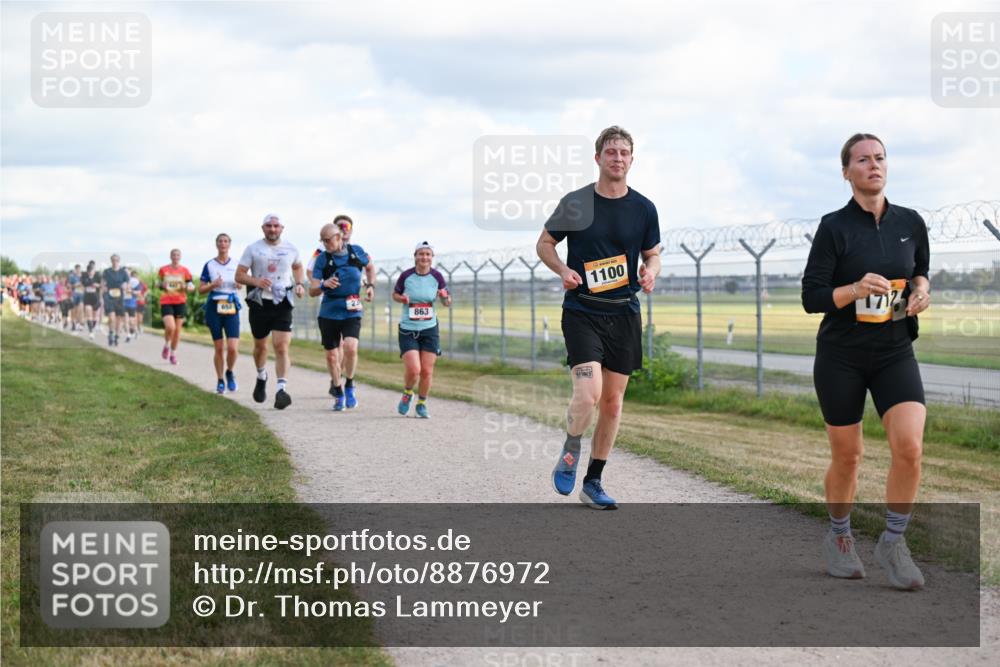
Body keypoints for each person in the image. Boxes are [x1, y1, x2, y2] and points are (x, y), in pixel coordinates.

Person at [802, 133, 931, 590]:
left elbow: (920, 270)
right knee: (849, 456)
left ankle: (894, 543)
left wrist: (920, 291)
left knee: (910, 447)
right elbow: (812, 297)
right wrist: (854, 290)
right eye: (862, 160)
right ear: (846, 172)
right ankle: (839, 537)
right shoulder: (834, 227)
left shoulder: (911, 222)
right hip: (842, 356)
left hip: (895, 350)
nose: (873, 165)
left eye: (879, 158)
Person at [536, 125, 661, 510]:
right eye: (611, 152)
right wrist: (562, 270)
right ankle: (572, 448)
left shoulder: (644, 208)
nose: (617, 158)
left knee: (613, 403)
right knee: (588, 394)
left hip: (623, 313)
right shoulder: (576, 203)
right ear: (598, 158)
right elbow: (544, 244)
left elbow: (652, 252)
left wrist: (651, 270)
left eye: (624, 152)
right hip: (582, 311)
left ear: (632, 160)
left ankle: (594, 481)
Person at [236, 213, 306, 410]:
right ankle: (261, 375)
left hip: (283, 301)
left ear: (282, 228)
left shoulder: (291, 248)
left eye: (276, 226)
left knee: (282, 346)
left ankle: (281, 389)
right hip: (259, 303)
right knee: (261, 347)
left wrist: (299, 283)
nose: (273, 229)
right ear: (263, 228)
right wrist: (256, 281)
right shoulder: (253, 249)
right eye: (269, 226)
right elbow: (239, 275)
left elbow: (298, 267)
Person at [306, 214, 377, 406]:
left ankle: (349, 385)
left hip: (352, 308)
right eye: (323, 240)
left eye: (328, 240)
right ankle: (337, 390)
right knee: (331, 355)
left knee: (351, 347)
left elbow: (370, 267)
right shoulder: (322, 258)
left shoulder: (356, 252)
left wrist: (370, 286)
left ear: (339, 237)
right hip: (329, 310)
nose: (325, 243)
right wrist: (324, 284)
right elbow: (311, 290)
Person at [393, 241, 451, 419]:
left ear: (432, 258)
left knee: (427, 371)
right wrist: (402, 299)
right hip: (408, 329)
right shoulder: (406, 276)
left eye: (428, 254)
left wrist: (444, 297)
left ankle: (421, 403)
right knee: (414, 370)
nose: (424, 257)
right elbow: (395, 295)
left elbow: (447, 302)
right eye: (421, 254)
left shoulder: (437, 277)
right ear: (415, 256)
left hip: (429, 328)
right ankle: (408, 393)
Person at [199, 233, 242, 393]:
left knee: (232, 348)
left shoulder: (237, 264)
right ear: (216, 244)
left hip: (231, 307)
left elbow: (243, 282)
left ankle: (230, 372)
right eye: (220, 241)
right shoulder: (209, 265)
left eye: (225, 241)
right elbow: (201, 289)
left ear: (229, 244)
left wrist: (239, 284)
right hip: (214, 308)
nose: (223, 244)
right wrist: (213, 285)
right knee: (219, 348)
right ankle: (220, 380)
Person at [158, 249, 195, 364]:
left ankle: (173, 354)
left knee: (177, 330)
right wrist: (161, 284)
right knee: (170, 327)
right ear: (170, 256)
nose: (175, 256)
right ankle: (166, 345)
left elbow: (190, 285)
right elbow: (158, 284)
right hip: (167, 301)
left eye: (177, 254)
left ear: (180, 257)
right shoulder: (163, 270)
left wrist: (189, 287)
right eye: (173, 254)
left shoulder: (185, 271)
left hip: (180, 302)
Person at [102, 254, 129, 346]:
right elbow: (103, 283)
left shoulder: (123, 272)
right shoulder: (107, 271)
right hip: (109, 297)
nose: (115, 262)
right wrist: (103, 287)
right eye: (113, 260)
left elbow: (127, 283)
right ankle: (111, 333)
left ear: (119, 261)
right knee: (111, 317)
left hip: (119, 298)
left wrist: (125, 285)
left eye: (117, 260)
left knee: (119, 318)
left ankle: (117, 335)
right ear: (111, 261)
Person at [80, 261, 101, 338]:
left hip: (96, 298)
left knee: (95, 317)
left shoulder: (98, 275)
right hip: (87, 298)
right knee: (89, 314)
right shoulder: (84, 276)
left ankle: (93, 327)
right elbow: (82, 285)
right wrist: (86, 285)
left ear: (94, 270)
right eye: (89, 271)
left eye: (91, 270)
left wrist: (97, 285)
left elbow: (102, 286)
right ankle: (91, 332)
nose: (90, 272)